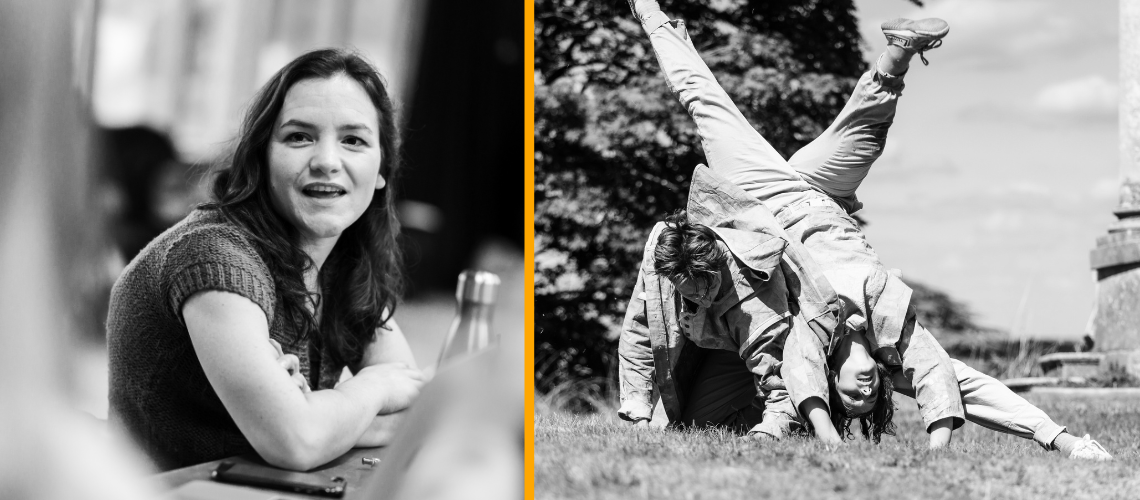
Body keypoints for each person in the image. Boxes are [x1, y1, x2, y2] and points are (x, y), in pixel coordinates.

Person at [625, 0, 1112, 460]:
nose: (864, 390)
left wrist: (823, 436)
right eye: (870, 395)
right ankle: (898, 54)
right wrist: (1064, 441)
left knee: (705, 102)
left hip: (761, 197)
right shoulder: (893, 342)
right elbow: (960, 384)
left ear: (829, 382)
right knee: (868, 131)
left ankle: (649, 14)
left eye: (851, 397)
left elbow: (795, 379)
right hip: (826, 199)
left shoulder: (808, 341)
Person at [107, 49, 425, 471]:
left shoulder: (344, 262)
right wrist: (372, 389)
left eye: (354, 140)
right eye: (299, 137)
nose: (327, 162)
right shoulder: (213, 256)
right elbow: (297, 442)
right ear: (262, 157)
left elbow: (415, 413)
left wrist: (320, 416)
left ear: (382, 169)